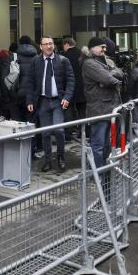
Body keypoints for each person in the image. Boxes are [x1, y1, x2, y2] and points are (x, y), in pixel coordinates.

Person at [22, 37, 74, 173]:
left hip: (58, 100)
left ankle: (61, 157)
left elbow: (70, 80)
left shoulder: (63, 60)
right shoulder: (35, 61)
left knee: (59, 130)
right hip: (43, 101)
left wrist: (67, 97)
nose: (49, 46)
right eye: (46, 44)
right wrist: (29, 100)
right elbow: (30, 82)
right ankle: (48, 160)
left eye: (51, 44)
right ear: (41, 47)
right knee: (44, 133)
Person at [82, 37, 125, 169]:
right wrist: (110, 77)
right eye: (101, 47)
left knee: (107, 144)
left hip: (110, 108)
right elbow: (110, 81)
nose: (104, 49)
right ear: (92, 48)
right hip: (99, 109)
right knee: (98, 144)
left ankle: (104, 172)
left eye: (105, 47)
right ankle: (97, 173)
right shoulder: (89, 63)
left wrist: (110, 74)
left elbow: (121, 74)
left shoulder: (105, 61)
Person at [62, 38, 85, 139]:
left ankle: (68, 134)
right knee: (82, 112)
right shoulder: (83, 55)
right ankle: (82, 132)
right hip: (82, 87)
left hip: (69, 88)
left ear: (66, 45)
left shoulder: (64, 57)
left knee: (68, 111)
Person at [12, 36, 38, 122]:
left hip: (18, 93)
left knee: (19, 121)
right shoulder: (37, 57)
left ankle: (21, 135)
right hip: (32, 93)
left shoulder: (15, 57)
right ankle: (31, 135)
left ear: (19, 43)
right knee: (31, 119)